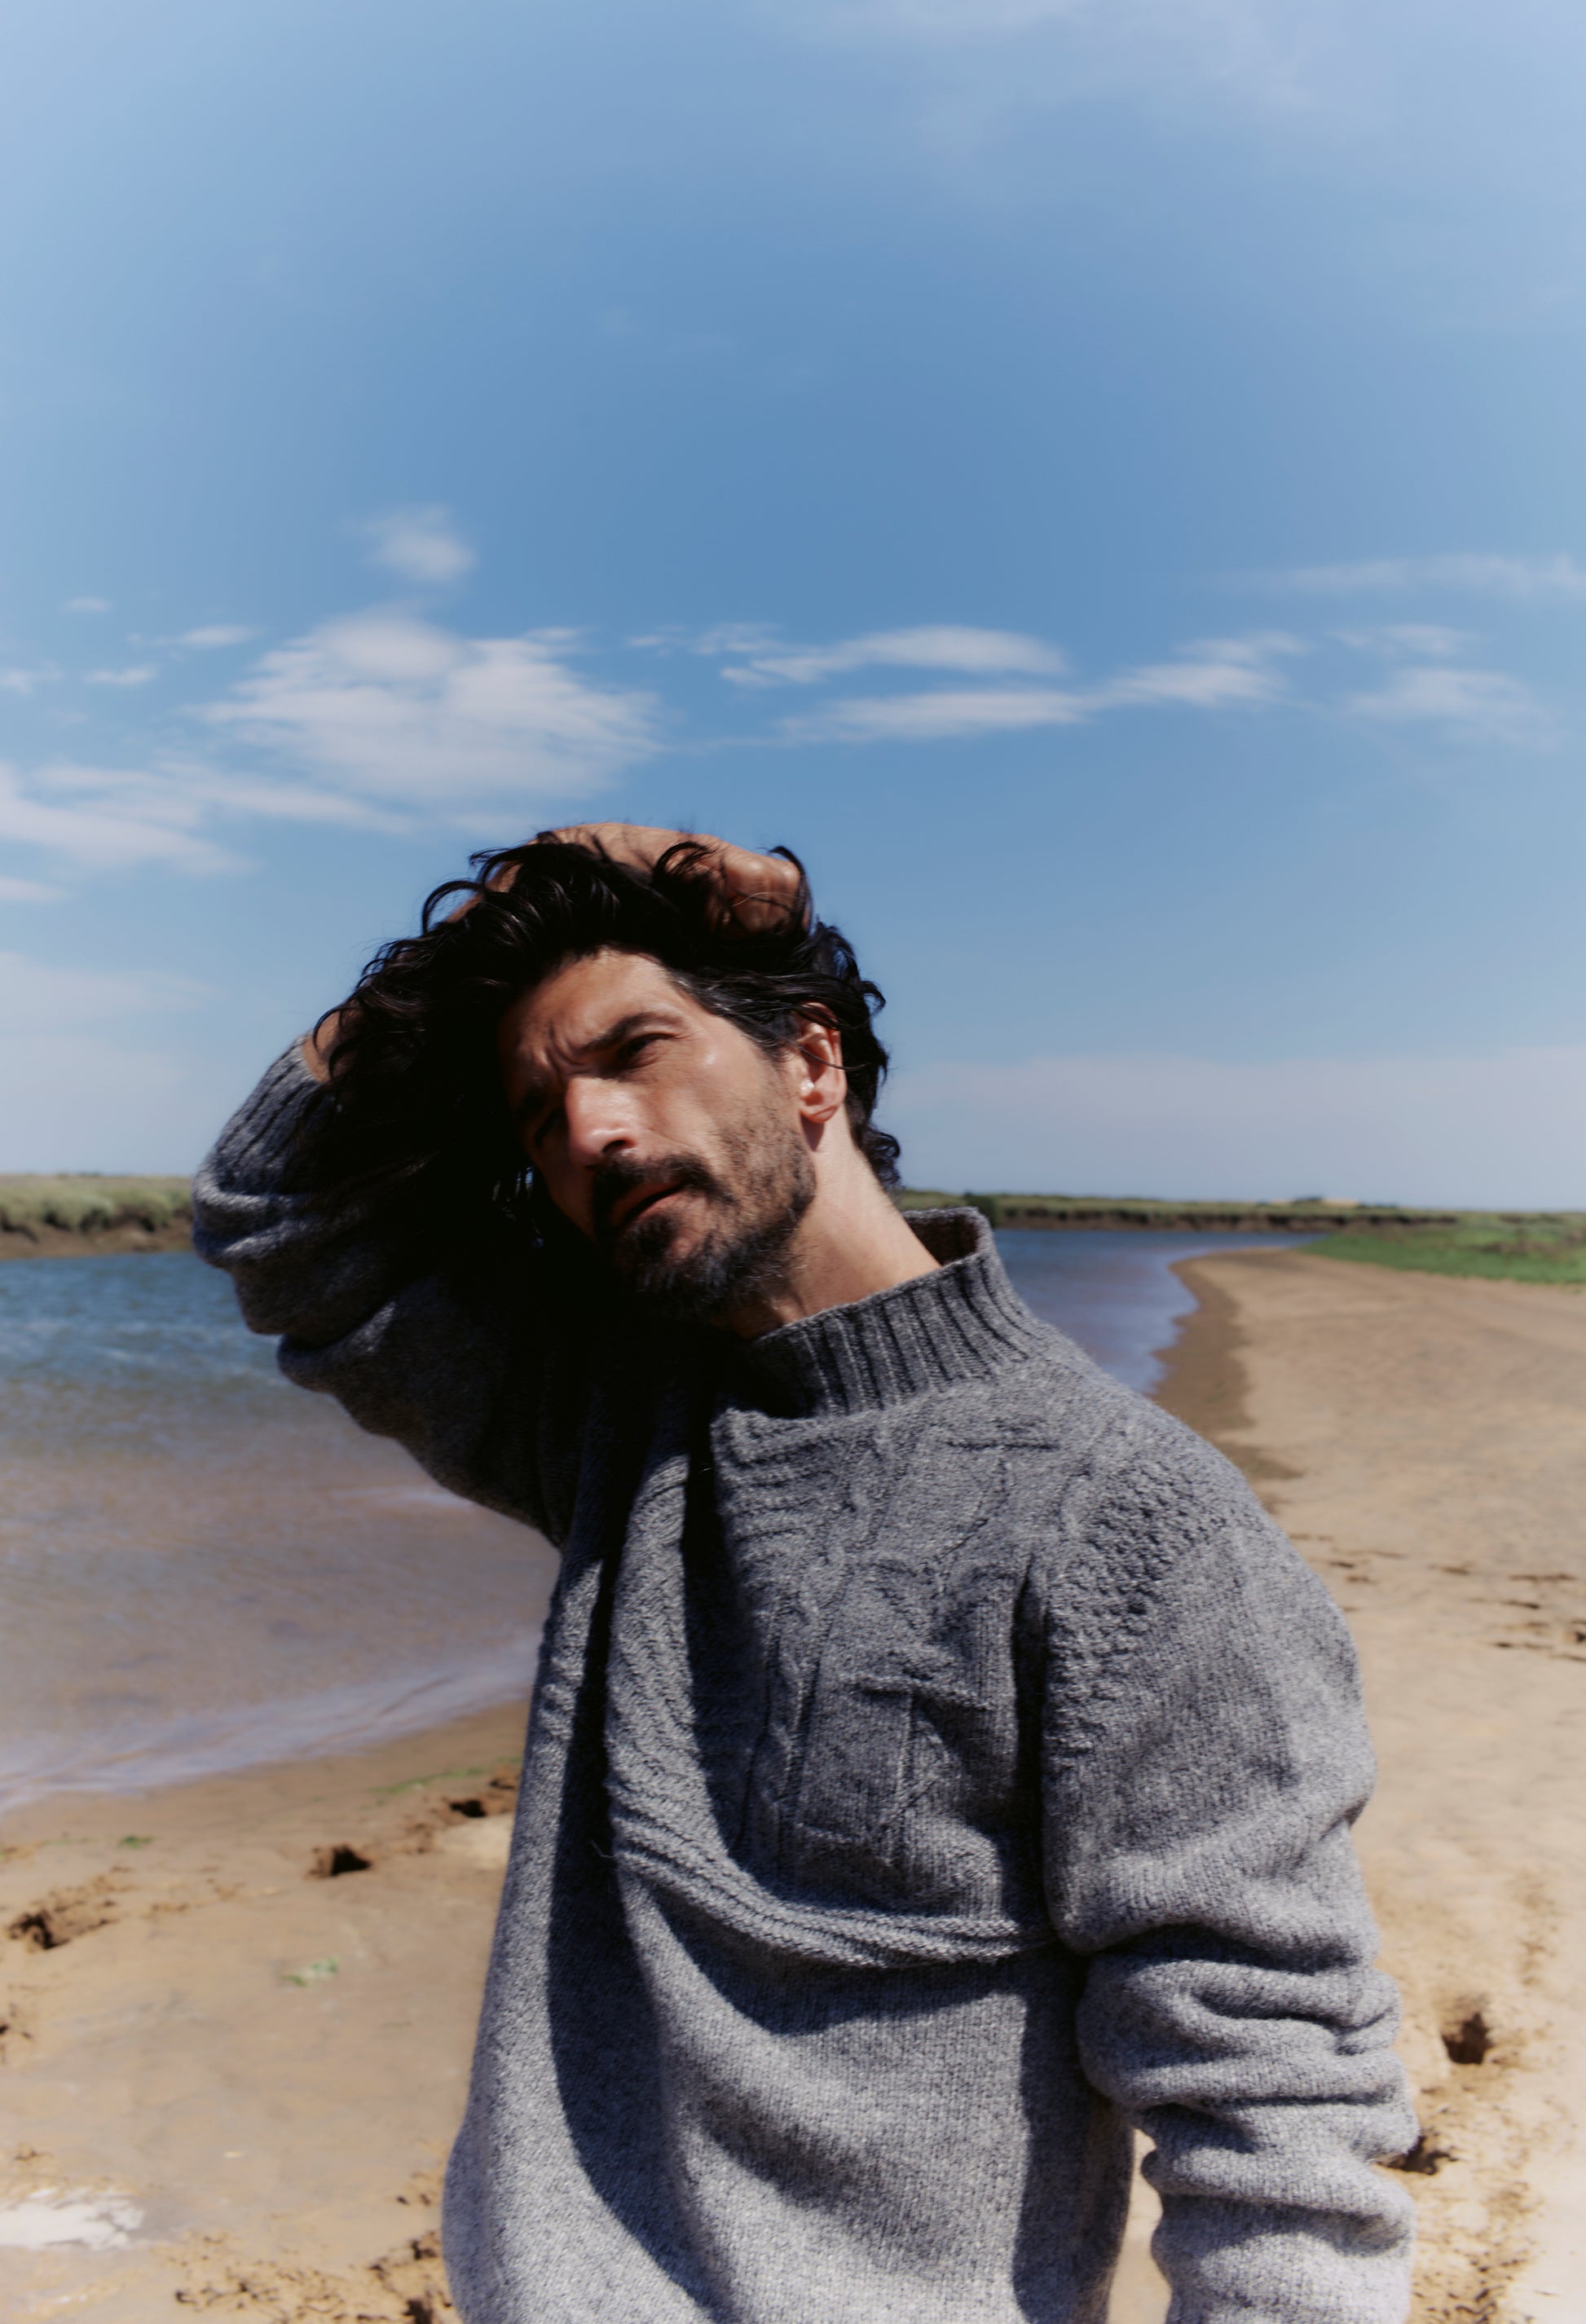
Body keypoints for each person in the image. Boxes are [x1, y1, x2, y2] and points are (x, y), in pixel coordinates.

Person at [194, 825, 1416, 2324]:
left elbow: (1277, 2107)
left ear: (811, 1064)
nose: (588, 1132)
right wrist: (484, 932)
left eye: (637, 1050)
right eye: (537, 1115)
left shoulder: (1133, 1525)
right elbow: (275, 1218)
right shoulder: (609, 1431)